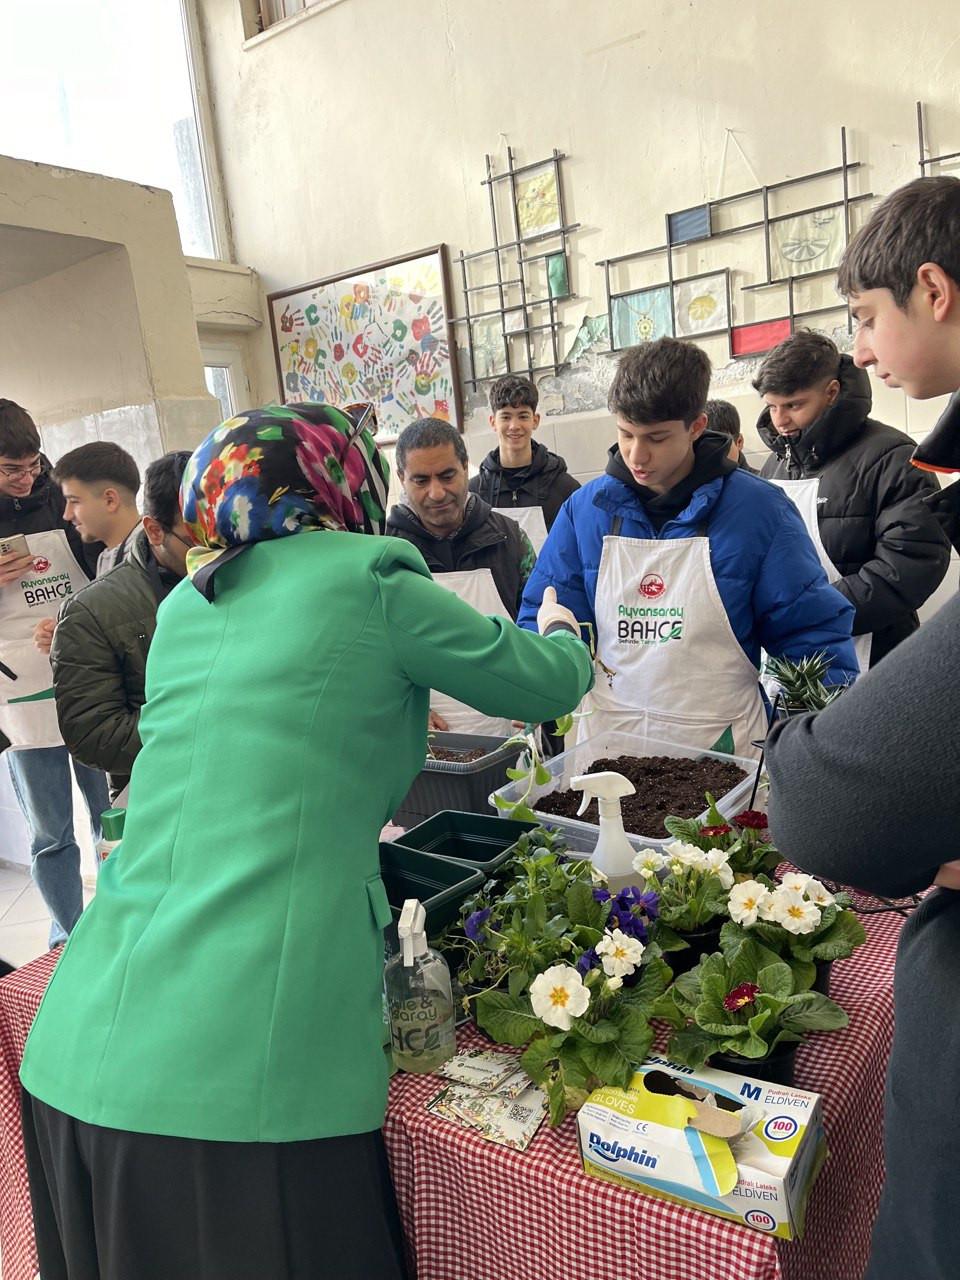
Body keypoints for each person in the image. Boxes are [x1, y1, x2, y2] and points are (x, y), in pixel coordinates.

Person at [18, 403, 593, 1280]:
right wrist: (560, 623)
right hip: (240, 1072)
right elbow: (546, 684)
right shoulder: (372, 579)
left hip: (79, 1044)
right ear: (346, 484)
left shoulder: (190, 605)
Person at [765, 174, 960, 1280]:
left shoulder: (896, 456)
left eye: (868, 316)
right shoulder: (775, 466)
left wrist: (816, 621)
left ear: (933, 289)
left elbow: (825, 806)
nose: (867, 346)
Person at [518, 338, 858, 758]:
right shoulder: (585, 511)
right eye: (625, 434)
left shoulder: (760, 512)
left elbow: (810, 634)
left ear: (696, 427)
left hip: (722, 749)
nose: (637, 455)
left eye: (656, 438)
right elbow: (544, 612)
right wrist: (532, 678)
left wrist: (809, 742)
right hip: (608, 746)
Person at [753, 329, 949, 671]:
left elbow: (911, 564)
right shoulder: (776, 464)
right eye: (772, 406)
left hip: (875, 658)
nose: (780, 421)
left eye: (794, 405)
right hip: (791, 656)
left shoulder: (893, 457)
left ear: (831, 392)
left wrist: (812, 614)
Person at [0, 400, 109, 947]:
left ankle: (118, 924)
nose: (27, 479)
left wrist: (70, 624)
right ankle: (66, 939)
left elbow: (108, 574)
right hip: (20, 691)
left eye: (33, 465)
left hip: (87, 678)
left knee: (113, 817)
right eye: (11, 470)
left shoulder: (63, 502)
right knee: (50, 833)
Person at [50, 451, 192, 801]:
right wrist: (205, 719)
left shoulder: (245, 574)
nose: (216, 552)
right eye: (196, 541)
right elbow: (94, 736)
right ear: (154, 530)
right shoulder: (90, 610)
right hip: (161, 796)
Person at [388, 416, 538, 736]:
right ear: (401, 478)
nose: (437, 492)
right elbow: (372, 655)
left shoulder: (511, 540)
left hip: (510, 730)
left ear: (465, 466)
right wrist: (401, 705)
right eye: (421, 481)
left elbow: (537, 626)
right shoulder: (386, 555)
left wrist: (536, 692)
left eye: (447, 476)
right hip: (423, 741)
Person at [467, 373, 580, 550]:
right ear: (493, 422)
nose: (514, 426)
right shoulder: (474, 493)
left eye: (523, 416)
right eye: (506, 417)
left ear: (535, 421)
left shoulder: (565, 488)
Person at [704, 399, 757, 472]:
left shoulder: (764, 478)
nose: (713, 455)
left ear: (739, 442)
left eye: (721, 446)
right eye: (704, 447)